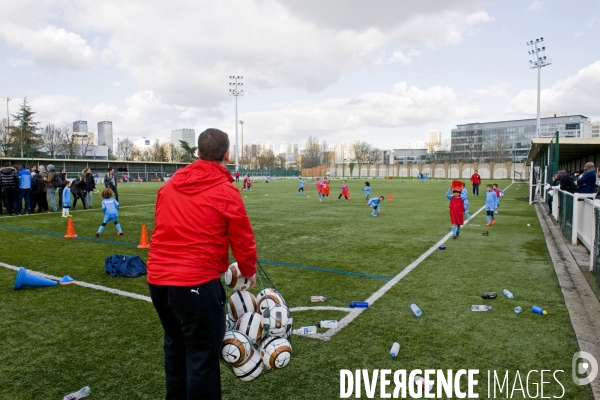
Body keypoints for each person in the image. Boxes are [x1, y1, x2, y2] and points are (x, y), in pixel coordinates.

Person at [147, 128, 257, 400]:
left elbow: (161, 226)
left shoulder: (168, 186)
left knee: (175, 346)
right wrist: (248, 271)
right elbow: (242, 238)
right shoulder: (225, 191)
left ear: (197, 153)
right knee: (201, 357)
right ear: (227, 154)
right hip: (195, 283)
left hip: (159, 281)